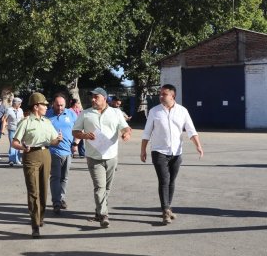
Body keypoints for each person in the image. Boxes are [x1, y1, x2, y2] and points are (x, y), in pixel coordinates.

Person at [140, 84, 204, 224]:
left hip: (176, 152)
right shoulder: (154, 111)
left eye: (164, 94)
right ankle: (165, 211)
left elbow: (191, 130)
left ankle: (168, 207)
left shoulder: (182, 111)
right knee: (164, 180)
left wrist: (198, 146)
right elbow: (147, 132)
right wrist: (143, 150)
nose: (161, 96)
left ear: (173, 96)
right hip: (159, 151)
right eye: (160, 94)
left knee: (171, 181)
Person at [72, 87, 132, 228]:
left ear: (104, 98)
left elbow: (125, 127)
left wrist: (126, 134)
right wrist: (84, 135)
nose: (93, 99)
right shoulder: (85, 113)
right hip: (94, 157)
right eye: (92, 97)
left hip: (111, 156)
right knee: (100, 187)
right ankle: (104, 215)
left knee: (107, 188)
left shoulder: (116, 112)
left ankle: (99, 210)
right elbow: (75, 131)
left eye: (96, 97)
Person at [12, 92, 62, 238]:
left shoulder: (47, 122)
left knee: (43, 189)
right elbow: (15, 142)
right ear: (36, 107)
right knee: (33, 190)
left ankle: (40, 217)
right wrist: (23, 147)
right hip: (31, 155)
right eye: (44, 105)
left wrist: (58, 140)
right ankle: (34, 225)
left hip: (46, 154)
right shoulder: (26, 122)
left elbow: (53, 140)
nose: (46, 107)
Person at [46, 93, 78, 214]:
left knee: (64, 177)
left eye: (62, 105)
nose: (60, 107)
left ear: (66, 104)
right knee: (55, 177)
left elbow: (78, 129)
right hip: (53, 151)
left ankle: (61, 198)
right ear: (53, 104)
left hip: (68, 151)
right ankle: (56, 202)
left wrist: (75, 143)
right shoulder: (47, 115)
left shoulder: (71, 114)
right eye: (57, 105)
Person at [4, 97, 24, 166]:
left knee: (18, 144)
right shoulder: (9, 110)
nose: (20, 105)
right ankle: (11, 160)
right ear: (15, 103)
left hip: (19, 130)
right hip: (12, 129)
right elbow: (4, 119)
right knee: (12, 144)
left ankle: (17, 159)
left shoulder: (20, 110)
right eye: (19, 103)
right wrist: (3, 128)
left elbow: (23, 119)